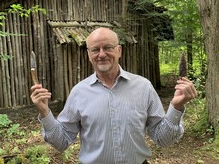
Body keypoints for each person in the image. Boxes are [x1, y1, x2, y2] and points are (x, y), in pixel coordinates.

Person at [30, 27, 197, 164]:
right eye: (95, 49)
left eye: (108, 47)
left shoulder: (143, 87)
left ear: (119, 50)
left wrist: (176, 106)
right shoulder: (79, 92)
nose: (101, 54)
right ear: (89, 55)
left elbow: (164, 139)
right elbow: (61, 142)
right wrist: (45, 113)